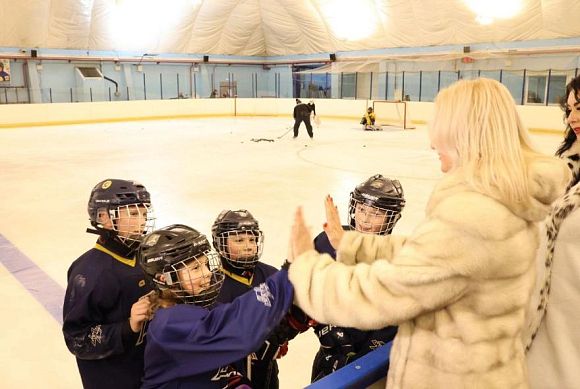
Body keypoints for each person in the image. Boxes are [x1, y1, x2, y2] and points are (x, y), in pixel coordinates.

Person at [286, 78, 570, 388]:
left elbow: (377, 295)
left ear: (466, 135)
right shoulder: (507, 200)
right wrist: (354, 244)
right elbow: (441, 258)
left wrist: (307, 267)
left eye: (441, 129)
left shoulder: (475, 216)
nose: (432, 143)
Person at [138, 224, 295, 388]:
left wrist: (271, 332)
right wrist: (288, 275)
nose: (207, 273)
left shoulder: (202, 305)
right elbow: (238, 329)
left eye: (206, 264)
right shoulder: (169, 324)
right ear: (164, 279)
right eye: (195, 268)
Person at [62, 179, 156, 389]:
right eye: (132, 213)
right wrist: (127, 327)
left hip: (147, 372)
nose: (141, 221)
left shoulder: (146, 255)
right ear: (103, 217)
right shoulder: (89, 273)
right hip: (114, 380)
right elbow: (77, 338)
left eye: (143, 213)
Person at [310, 174, 404, 382]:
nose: (365, 221)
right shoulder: (327, 241)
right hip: (329, 356)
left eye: (376, 214)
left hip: (369, 363)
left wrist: (361, 357)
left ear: (392, 218)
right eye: (361, 210)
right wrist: (323, 326)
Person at [524, 75, 580, 389]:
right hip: (550, 316)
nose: (572, 118)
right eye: (569, 109)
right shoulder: (566, 162)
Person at [213, 209, 303, 389]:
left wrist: (283, 334)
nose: (248, 246)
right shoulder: (210, 285)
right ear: (219, 243)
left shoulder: (270, 274)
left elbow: (289, 314)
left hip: (267, 370)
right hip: (228, 376)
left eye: (252, 239)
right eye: (239, 240)